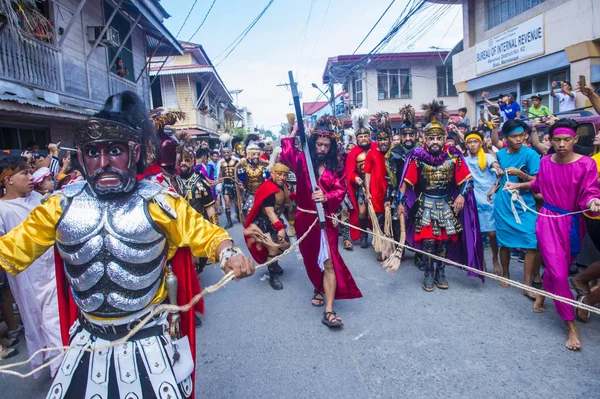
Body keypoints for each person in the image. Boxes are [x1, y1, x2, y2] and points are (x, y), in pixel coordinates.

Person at [0, 91, 255, 398]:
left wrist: (228, 252)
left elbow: (207, 234)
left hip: (148, 339)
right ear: (82, 156)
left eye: (115, 151)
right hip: (87, 339)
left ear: (134, 153)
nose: (104, 162)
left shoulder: (158, 201)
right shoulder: (59, 205)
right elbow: (11, 249)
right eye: (93, 153)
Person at [505, 118, 600, 351]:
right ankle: (571, 327)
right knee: (558, 273)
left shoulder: (587, 164)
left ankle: (543, 293)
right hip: (548, 219)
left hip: (574, 222)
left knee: (560, 267)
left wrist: (593, 200)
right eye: (557, 139)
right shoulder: (545, 162)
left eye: (567, 139)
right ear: (551, 140)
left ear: (575, 139)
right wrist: (518, 186)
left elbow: (590, 190)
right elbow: (539, 185)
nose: (561, 144)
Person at [280, 115, 362, 327]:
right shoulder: (301, 161)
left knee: (329, 262)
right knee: (310, 259)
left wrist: (327, 197)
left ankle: (329, 310)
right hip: (303, 218)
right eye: (319, 144)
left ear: (331, 146)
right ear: (313, 143)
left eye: (326, 145)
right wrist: (294, 131)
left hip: (326, 220)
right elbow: (286, 154)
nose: (322, 149)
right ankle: (318, 286)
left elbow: (341, 189)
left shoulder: (336, 166)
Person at [398, 100, 484, 291]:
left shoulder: (453, 156)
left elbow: (467, 180)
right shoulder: (417, 156)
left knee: (444, 242)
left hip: (447, 204)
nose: (435, 142)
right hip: (426, 204)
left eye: (438, 138)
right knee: (429, 242)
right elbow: (406, 182)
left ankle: (441, 273)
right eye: (431, 138)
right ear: (425, 139)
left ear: (444, 137)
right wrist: (400, 201)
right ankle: (428, 274)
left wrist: (461, 196)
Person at [0, 156, 62, 377]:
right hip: (27, 278)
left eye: (29, 171)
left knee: (55, 320)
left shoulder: (39, 198)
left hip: (54, 270)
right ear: (8, 180)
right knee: (36, 321)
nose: (30, 177)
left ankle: (61, 370)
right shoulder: (2, 209)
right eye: (25, 173)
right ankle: (53, 367)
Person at [491, 118, 541, 298]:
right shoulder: (502, 154)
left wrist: (520, 174)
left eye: (521, 135)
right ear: (507, 138)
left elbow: (537, 182)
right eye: (514, 136)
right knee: (503, 241)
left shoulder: (531, 155)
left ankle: (527, 284)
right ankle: (506, 274)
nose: (519, 139)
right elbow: (494, 143)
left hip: (524, 202)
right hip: (503, 201)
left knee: (531, 242)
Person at [243, 163, 292, 290]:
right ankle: (273, 275)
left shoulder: (285, 187)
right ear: (272, 174)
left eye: (284, 175)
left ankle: (273, 262)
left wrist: (292, 223)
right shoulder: (268, 189)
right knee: (274, 248)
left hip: (274, 221)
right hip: (262, 224)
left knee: (286, 245)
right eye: (279, 174)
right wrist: (281, 228)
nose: (281, 177)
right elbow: (270, 212)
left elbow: (286, 208)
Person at [464, 131, 503, 275]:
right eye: (469, 142)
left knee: (492, 234)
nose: (472, 144)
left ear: (480, 143)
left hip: (489, 198)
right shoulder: (465, 160)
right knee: (478, 234)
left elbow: (494, 164)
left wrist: (497, 168)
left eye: (475, 141)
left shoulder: (486, 157)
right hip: (473, 199)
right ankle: (482, 261)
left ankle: (495, 258)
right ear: (466, 144)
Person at [346, 108, 376, 248]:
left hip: (376, 183)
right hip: (361, 184)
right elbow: (350, 173)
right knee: (363, 212)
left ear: (369, 137)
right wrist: (355, 178)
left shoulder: (375, 148)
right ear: (356, 139)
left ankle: (379, 235)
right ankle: (364, 235)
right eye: (360, 137)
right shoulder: (353, 153)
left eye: (366, 136)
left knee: (377, 210)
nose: (363, 139)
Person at [365, 112, 392, 260]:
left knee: (392, 222)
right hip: (376, 192)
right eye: (380, 139)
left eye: (385, 139)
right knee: (380, 222)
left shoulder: (394, 152)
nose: (382, 142)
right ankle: (383, 249)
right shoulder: (371, 153)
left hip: (391, 193)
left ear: (389, 140)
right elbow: (367, 173)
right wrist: (368, 192)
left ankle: (392, 248)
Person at [236, 134, 269, 222]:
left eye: (258, 154)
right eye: (253, 154)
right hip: (250, 195)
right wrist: (240, 186)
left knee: (267, 215)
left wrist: (267, 163)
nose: (256, 156)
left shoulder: (263, 168)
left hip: (262, 195)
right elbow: (239, 181)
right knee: (250, 217)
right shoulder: (243, 169)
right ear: (248, 155)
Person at [218, 134, 239, 229]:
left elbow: (240, 173)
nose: (226, 154)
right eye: (224, 153)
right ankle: (229, 221)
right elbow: (219, 175)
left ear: (230, 152)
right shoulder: (220, 163)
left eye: (228, 152)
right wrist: (218, 184)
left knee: (236, 202)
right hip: (225, 184)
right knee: (227, 202)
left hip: (234, 184)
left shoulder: (236, 161)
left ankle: (238, 215)